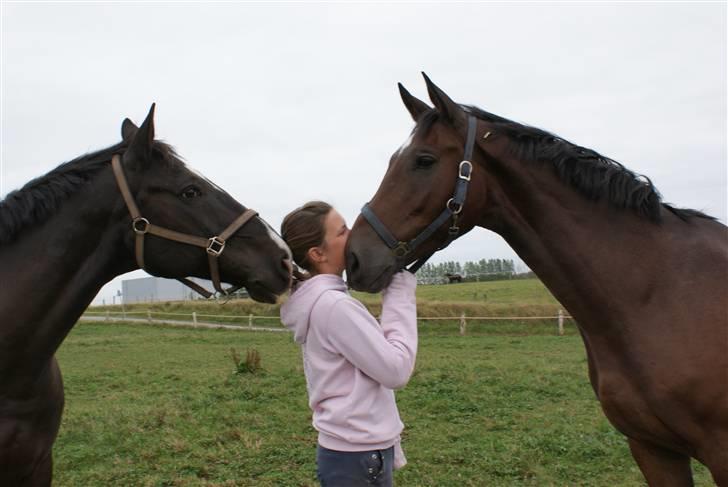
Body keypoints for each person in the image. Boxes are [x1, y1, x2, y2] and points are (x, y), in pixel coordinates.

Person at [280, 201, 418, 487]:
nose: (354, 232)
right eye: (342, 231)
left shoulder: (320, 302)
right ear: (317, 253)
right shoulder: (334, 307)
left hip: (350, 453)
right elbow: (396, 370)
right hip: (359, 457)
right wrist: (399, 292)